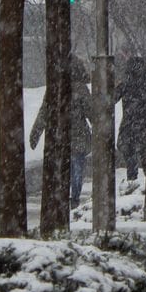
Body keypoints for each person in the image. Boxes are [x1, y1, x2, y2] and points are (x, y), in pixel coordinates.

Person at [30, 57, 95, 203]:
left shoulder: (54, 88)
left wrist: (36, 132)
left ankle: (61, 196)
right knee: (77, 168)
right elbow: (90, 112)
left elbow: (44, 112)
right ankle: (75, 197)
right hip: (78, 136)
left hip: (58, 136)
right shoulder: (81, 89)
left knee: (61, 168)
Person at [116, 56, 146, 182]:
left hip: (129, 126)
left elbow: (111, 99)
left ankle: (132, 181)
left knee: (130, 159)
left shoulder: (125, 85)